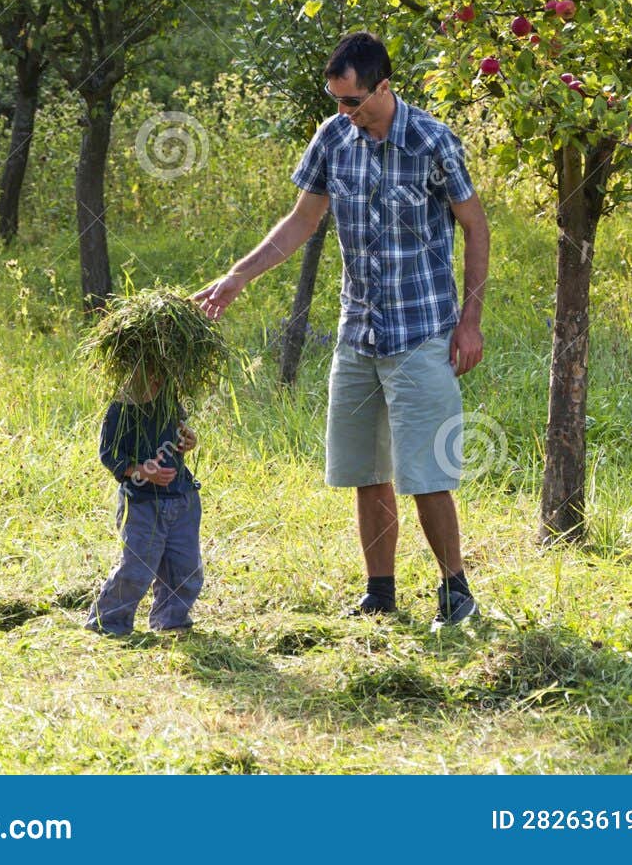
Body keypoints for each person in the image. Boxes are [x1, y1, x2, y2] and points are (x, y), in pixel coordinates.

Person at [194, 31, 489, 629]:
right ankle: (380, 592)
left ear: (384, 87)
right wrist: (237, 276)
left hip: (422, 331)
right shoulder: (334, 138)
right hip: (358, 331)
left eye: (352, 101)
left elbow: (477, 229)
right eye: (335, 101)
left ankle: (456, 593)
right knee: (365, 471)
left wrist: (470, 322)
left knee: (426, 474)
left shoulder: (432, 142)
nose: (342, 113)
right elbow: (301, 221)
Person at [85, 364, 203, 638]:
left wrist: (188, 440)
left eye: (161, 373)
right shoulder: (120, 409)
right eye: (150, 372)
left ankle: (171, 622)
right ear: (135, 371)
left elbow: (179, 432)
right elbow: (108, 454)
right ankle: (108, 624)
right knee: (137, 568)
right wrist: (140, 471)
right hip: (142, 503)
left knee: (184, 567)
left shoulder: (168, 399)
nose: (156, 378)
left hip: (181, 497)